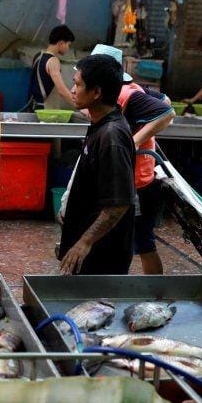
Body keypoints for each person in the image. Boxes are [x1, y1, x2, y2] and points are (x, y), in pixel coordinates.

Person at [92, 44, 175, 275]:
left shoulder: (127, 93)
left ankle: (156, 294)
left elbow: (167, 112)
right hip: (129, 178)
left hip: (137, 182)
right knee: (125, 240)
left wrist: (136, 140)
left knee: (143, 243)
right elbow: (165, 99)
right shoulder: (129, 91)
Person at [59, 54, 136, 275]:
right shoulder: (99, 124)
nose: (73, 90)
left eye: (78, 84)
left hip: (103, 254)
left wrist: (84, 242)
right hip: (88, 248)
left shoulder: (112, 136)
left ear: (97, 92)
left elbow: (119, 203)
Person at [29, 24, 76, 110]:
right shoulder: (53, 61)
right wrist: (79, 105)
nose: (68, 48)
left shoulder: (38, 55)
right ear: (61, 43)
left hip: (35, 107)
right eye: (68, 45)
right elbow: (62, 90)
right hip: (46, 111)